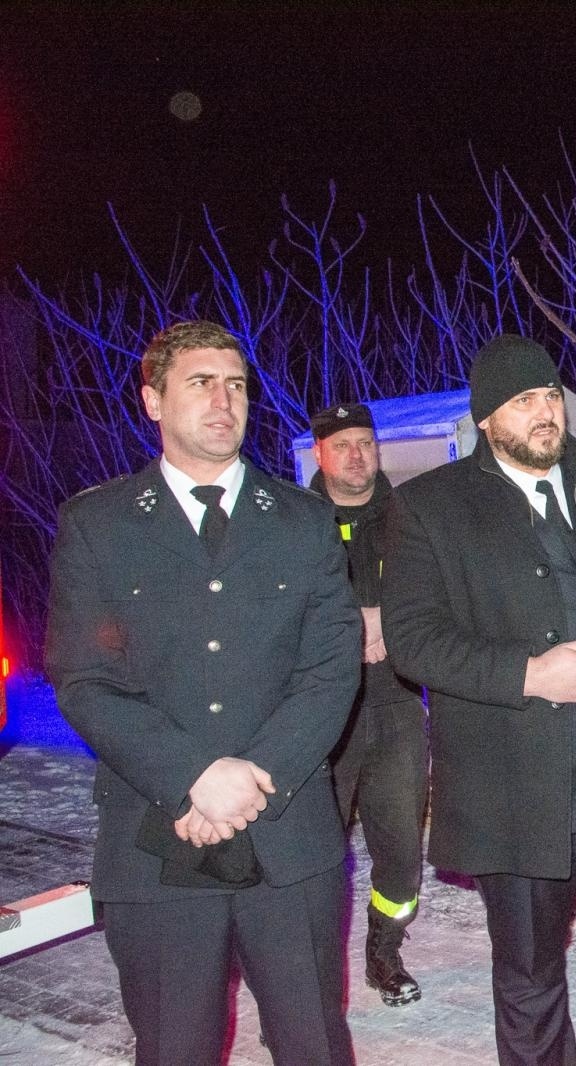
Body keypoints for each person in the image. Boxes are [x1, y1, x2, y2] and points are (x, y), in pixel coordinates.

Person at [45, 320, 360, 1065]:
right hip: (157, 840)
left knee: (314, 1044)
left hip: (288, 837)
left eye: (236, 385)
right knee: (173, 1047)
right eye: (200, 383)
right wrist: (191, 774)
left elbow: (331, 668)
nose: (224, 401)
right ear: (153, 400)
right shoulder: (98, 524)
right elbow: (84, 677)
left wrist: (255, 776)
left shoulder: (304, 520)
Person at [382, 334, 576, 1066]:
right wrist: (529, 674)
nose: (544, 411)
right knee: (531, 983)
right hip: (517, 788)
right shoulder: (431, 506)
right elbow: (413, 639)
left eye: (550, 395)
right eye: (522, 401)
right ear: (486, 418)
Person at [307, 401, 430, 1006]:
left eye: (366, 444)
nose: (357, 456)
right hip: (320, 713)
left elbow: (440, 598)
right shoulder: (295, 521)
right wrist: (348, 626)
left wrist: (392, 619)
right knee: (315, 854)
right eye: (342, 445)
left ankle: (384, 954)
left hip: (396, 703)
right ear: (319, 453)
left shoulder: (409, 517)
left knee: (402, 848)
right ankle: (309, 979)